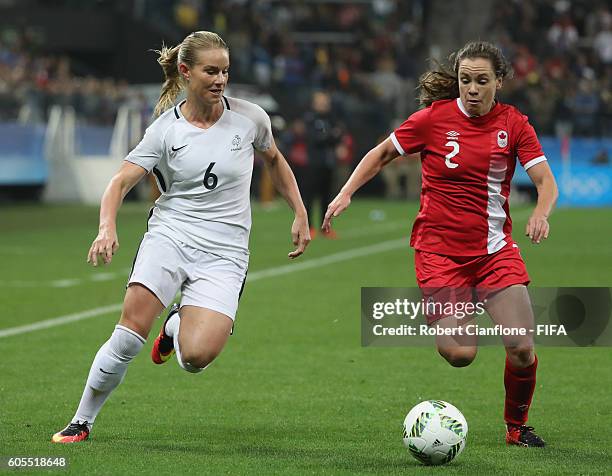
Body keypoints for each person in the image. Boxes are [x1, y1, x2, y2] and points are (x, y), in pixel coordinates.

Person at [51, 31, 310, 443]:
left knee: (196, 358)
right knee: (129, 333)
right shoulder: (164, 131)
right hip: (170, 237)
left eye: (225, 71)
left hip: (225, 253)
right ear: (186, 72)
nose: (220, 79)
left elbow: (275, 161)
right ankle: (82, 421)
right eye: (211, 71)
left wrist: (298, 211)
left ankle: (174, 328)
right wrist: (107, 226)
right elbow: (119, 182)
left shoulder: (251, 119)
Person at [323, 41, 558, 448]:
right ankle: (463, 306)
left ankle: (516, 428)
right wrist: (345, 193)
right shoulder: (433, 119)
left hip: (494, 252)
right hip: (440, 255)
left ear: (498, 82)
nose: (472, 88)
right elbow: (381, 154)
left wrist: (541, 212)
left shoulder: (514, 124)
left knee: (521, 346)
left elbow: (545, 181)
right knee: (460, 352)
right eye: (465, 80)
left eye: (482, 81)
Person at [303, 90, 343, 238]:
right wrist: (331, 136)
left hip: (329, 162)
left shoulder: (331, 119)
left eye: (326, 102)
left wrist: (330, 136)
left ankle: (325, 226)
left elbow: (338, 136)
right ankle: (309, 227)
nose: (324, 105)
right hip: (314, 162)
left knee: (327, 197)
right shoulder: (310, 118)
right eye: (321, 102)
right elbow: (315, 139)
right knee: (310, 196)